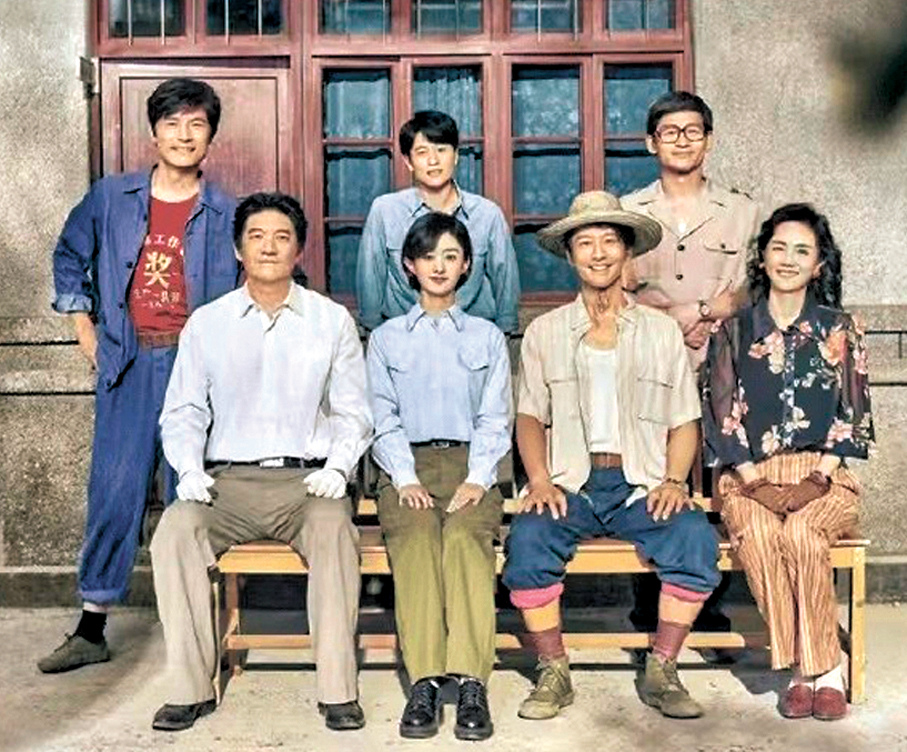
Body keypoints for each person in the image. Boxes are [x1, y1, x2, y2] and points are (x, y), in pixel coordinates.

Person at [149, 193, 373, 732]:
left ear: (299, 249)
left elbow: (354, 412)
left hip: (307, 482)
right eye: (256, 237)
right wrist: (189, 469)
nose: (269, 247)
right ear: (238, 249)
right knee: (174, 533)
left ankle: (338, 691)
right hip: (227, 482)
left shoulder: (331, 321)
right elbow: (183, 411)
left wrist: (338, 468)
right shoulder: (208, 323)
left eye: (281, 237)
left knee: (334, 531)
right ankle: (189, 688)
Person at [42, 78, 238, 674]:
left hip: (195, 369)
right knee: (115, 490)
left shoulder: (228, 212)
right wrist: (85, 329)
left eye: (196, 124)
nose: (184, 135)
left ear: (210, 136)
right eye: (172, 123)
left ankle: (193, 631)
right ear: (154, 133)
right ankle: (91, 627)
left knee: (189, 495)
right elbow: (68, 255)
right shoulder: (111, 197)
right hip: (128, 363)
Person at [501, 191, 721, 721]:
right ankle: (553, 670)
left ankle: (662, 667)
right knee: (528, 541)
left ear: (627, 252)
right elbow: (528, 416)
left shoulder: (660, 331)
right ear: (570, 255)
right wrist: (539, 480)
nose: (598, 253)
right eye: (585, 243)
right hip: (571, 483)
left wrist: (673, 480)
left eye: (609, 242)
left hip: (639, 482)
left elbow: (684, 419)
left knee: (694, 538)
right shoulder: (546, 332)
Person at [701, 203, 874, 721]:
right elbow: (720, 416)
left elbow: (853, 415)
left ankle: (818, 672)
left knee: (802, 533)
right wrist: (755, 482)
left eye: (802, 251)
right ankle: (810, 665)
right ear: (763, 256)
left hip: (824, 474)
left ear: (818, 265)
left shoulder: (840, 329)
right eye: (779, 247)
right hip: (747, 475)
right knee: (760, 535)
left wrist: (817, 478)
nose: (789, 259)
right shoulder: (733, 331)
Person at [621, 90, 760, 643]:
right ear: (650, 142)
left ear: (710, 140)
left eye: (693, 131)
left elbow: (758, 283)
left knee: (717, 478)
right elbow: (617, 286)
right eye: (670, 132)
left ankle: (709, 605)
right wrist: (669, 319)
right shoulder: (630, 211)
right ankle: (647, 606)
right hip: (651, 362)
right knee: (653, 477)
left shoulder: (742, 211)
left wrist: (704, 311)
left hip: (726, 363)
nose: (682, 141)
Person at [367, 213, 513, 741]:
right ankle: (425, 681)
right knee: (418, 538)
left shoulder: (487, 337)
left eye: (451, 256)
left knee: (465, 539)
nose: (439, 266)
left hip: (473, 464)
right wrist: (404, 478)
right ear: (410, 265)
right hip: (405, 464)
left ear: (467, 265)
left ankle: (471, 681)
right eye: (428, 256)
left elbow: (495, 416)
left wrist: (479, 477)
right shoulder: (386, 339)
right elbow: (382, 415)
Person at [356, 110, 520, 335]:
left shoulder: (487, 214)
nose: (433, 161)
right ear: (408, 161)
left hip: (471, 336)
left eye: (441, 150)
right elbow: (370, 280)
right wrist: (376, 335)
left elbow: (506, 283)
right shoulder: (385, 211)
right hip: (405, 337)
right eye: (422, 152)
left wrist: (503, 335)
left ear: (456, 155)